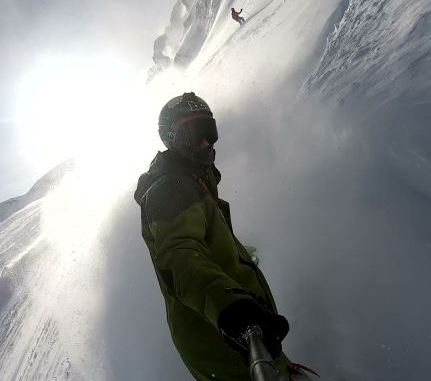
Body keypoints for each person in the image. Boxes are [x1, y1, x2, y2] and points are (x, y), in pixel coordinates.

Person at [134, 92, 315, 381]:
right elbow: (181, 259)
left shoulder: (196, 183)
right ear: (171, 138)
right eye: (194, 134)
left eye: (210, 132)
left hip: (239, 333)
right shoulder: (170, 189)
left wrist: (238, 255)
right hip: (220, 338)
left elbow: (203, 241)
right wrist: (231, 309)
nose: (206, 143)